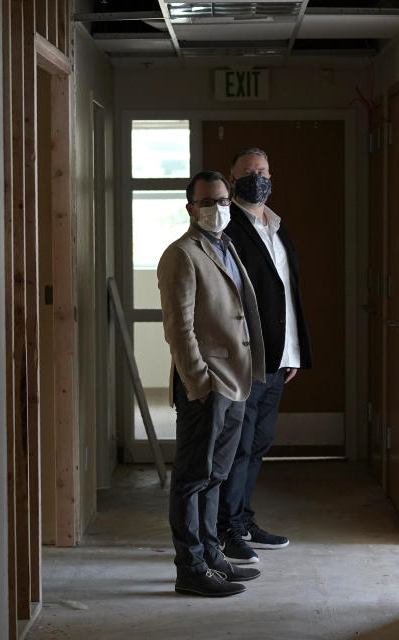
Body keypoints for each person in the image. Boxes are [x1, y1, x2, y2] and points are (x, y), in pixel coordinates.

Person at [157, 170, 266, 597]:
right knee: (191, 479)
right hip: (206, 386)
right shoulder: (181, 254)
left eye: (222, 200)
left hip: (237, 381)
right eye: (207, 202)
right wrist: (200, 384)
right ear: (190, 208)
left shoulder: (224, 246)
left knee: (216, 475)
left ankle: (212, 556)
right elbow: (178, 329)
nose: (217, 209)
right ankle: (191, 569)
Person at [217, 148, 313, 565]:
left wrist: (293, 350)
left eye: (263, 171)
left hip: (279, 359)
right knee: (236, 447)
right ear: (232, 178)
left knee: (257, 444)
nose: (257, 178)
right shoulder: (228, 228)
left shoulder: (275, 225)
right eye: (248, 172)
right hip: (247, 359)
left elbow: (286, 294)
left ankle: (242, 518)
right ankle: (226, 529)